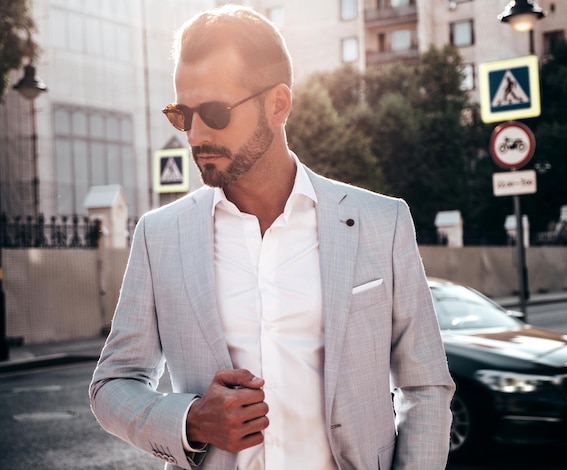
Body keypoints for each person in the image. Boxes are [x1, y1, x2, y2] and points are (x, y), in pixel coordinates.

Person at [89, 5, 455, 469]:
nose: (196, 134)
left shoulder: (381, 223)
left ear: (278, 104)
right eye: (184, 114)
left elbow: (424, 384)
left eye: (216, 112)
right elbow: (112, 383)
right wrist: (190, 420)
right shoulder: (159, 236)